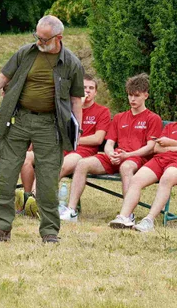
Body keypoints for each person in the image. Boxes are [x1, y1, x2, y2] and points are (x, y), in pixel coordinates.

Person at [0, 15, 86, 243]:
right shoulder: (25, 52)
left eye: (43, 38)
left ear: (58, 38)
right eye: (36, 36)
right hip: (18, 121)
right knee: (7, 175)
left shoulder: (71, 63)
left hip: (50, 126)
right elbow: (3, 77)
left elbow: (75, 100)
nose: (38, 41)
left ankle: (50, 231)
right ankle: (1, 227)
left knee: (49, 180)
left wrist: (75, 130)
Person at [110, 87, 177, 233]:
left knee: (167, 177)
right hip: (161, 159)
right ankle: (124, 217)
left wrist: (173, 143)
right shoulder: (171, 126)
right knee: (137, 179)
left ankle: (149, 220)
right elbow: (157, 149)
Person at [17, 74, 111, 222]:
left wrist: (74, 140)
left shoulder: (102, 111)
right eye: (84, 88)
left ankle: (36, 199)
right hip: (60, 148)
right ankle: (28, 199)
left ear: (96, 92)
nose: (87, 91)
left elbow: (97, 139)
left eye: (91, 88)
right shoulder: (69, 108)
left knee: (58, 165)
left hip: (82, 152)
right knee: (27, 158)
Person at [98, 73, 161, 208]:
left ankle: (127, 214)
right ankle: (71, 210)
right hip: (117, 156)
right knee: (82, 164)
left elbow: (150, 147)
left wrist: (127, 156)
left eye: (137, 95)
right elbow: (109, 143)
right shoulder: (119, 117)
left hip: (138, 158)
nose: (132, 99)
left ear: (146, 95)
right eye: (130, 95)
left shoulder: (153, 118)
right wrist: (111, 154)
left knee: (126, 167)